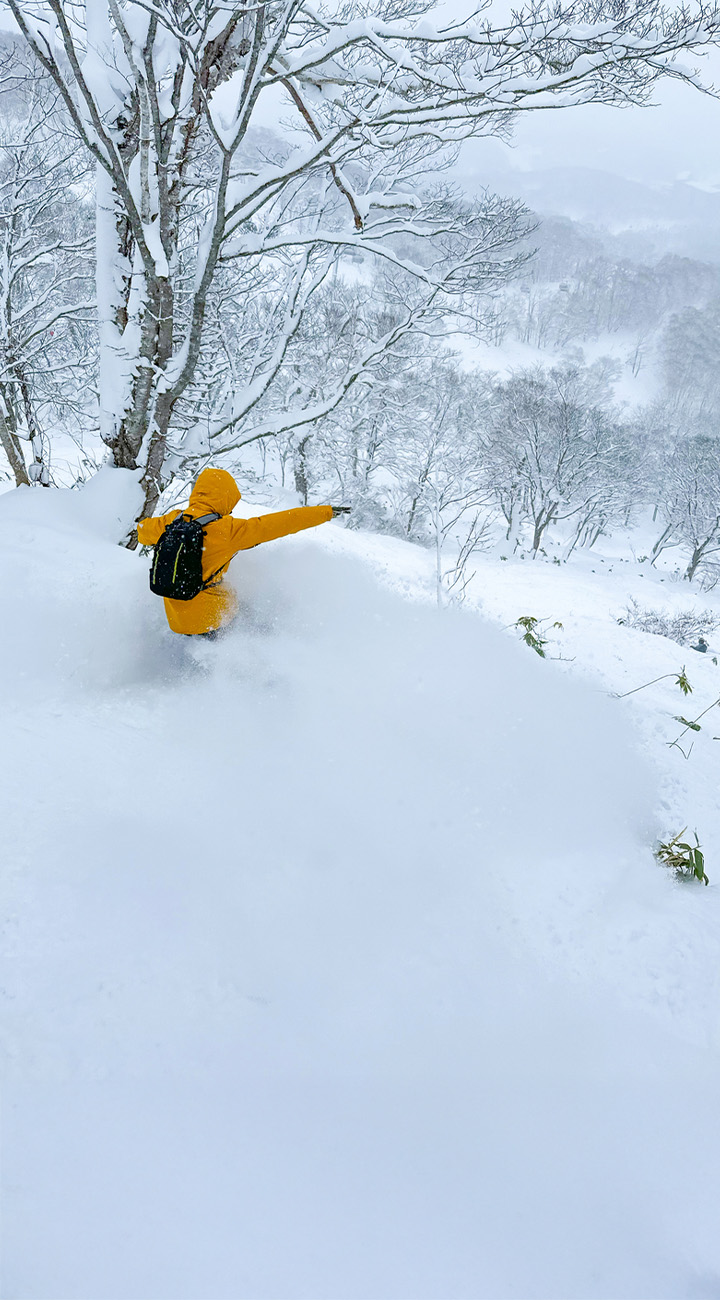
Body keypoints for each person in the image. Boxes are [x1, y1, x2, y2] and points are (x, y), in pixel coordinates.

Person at [136, 466, 347, 637]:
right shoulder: (227, 531)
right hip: (210, 620)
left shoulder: (172, 520)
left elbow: (142, 531)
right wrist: (325, 512)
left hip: (176, 619)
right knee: (248, 615)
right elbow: (279, 523)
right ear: (225, 498)